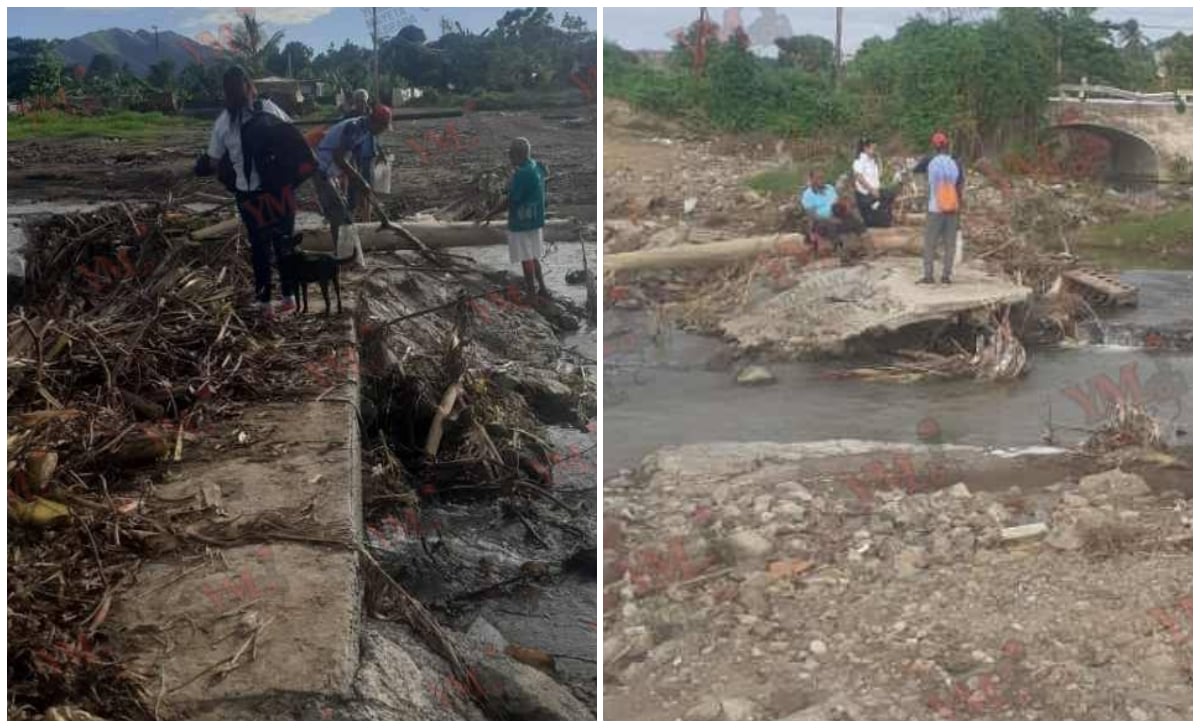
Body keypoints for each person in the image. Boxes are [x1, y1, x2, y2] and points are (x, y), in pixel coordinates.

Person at [197, 65, 298, 319]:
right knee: (285, 244)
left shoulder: (223, 122)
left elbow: (213, 161)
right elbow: (294, 136)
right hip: (281, 191)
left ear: (226, 93)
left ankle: (265, 305)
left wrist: (200, 166)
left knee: (261, 249)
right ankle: (289, 298)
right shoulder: (268, 108)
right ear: (250, 86)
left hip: (251, 196)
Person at [311, 105, 392, 249]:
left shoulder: (363, 130)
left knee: (343, 215)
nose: (381, 132)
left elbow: (350, 159)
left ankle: (345, 253)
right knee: (339, 216)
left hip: (331, 173)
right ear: (376, 122)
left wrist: (358, 181)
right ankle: (342, 255)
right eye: (382, 127)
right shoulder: (354, 128)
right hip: (323, 171)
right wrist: (359, 180)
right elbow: (338, 157)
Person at [494, 137, 549, 299]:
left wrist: (491, 213)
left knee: (526, 258)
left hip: (522, 221)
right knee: (534, 255)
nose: (509, 158)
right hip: (536, 219)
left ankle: (531, 293)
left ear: (517, 155)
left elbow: (512, 200)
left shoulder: (521, 173)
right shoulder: (536, 167)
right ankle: (543, 288)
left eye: (511, 155)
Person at [918, 131, 962, 285]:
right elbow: (959, 186)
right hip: (952, 208)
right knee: (950, 244)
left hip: (935, 208)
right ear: (947, 145)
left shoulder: (931, 162)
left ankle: (928, 276)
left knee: (930, 243)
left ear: (934, 146)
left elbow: (921, 175)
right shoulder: (955, 163)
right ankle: (946, 276)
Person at [852, 137, 895, 227]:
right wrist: (871, 190)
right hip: (866, 194)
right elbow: (859, 177)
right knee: (877, 210)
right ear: (865, 148)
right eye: (873, 148)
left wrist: (878, 160)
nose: (875, 151)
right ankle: (874, 218)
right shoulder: (859, 160)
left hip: (875, 190)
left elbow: (878, 175)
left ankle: (883, 217)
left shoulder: (872, 160)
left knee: (890, 194)